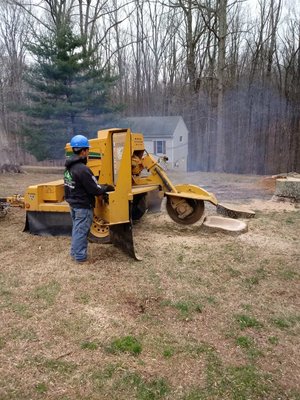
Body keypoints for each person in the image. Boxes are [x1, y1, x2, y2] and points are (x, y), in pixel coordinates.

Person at [64, 134, 113, 263]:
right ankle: (80, 257)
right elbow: (95, 189)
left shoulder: (69, 168)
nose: (88, 153)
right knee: (81, 231)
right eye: (88, 150)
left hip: (73, 204)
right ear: (84, 151)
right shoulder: (83, 169)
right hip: (83, 206)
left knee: (77, 229)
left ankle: (75, 253)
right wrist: (107, 188)